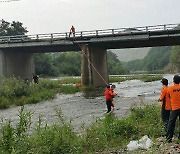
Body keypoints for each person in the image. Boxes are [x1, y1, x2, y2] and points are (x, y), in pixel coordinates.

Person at [166, 74, 180, 143]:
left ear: (173, 80)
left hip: (174, 108)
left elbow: (168, 96)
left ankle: (169, 138)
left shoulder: (170, 88)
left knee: (171, 123)